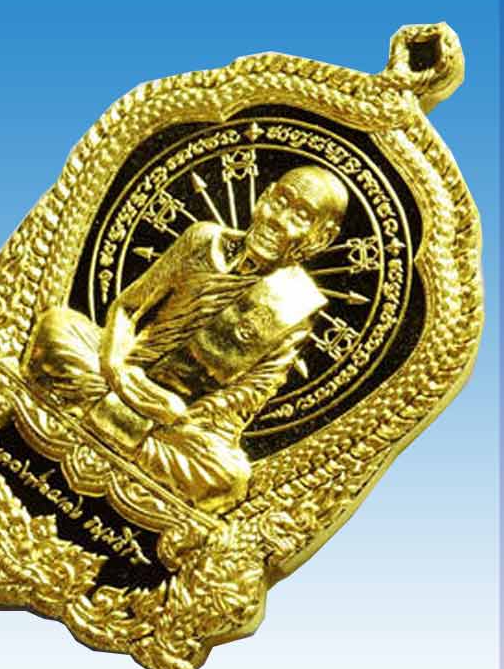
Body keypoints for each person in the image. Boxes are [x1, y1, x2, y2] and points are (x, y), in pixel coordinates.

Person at [23, 165, 349, 514]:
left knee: (229, 479)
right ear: (264, 196)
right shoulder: (202, 239)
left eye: (300, 216)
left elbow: (248, 396)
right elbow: (129, 307)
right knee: (56, 328)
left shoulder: (297, 309)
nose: (278, 220)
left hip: (178, 418)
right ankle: (133, 440)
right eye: (280, 201)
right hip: (123, 374)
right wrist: (115, 366)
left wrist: (177, 413)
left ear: (321, 238)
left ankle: (103, 417)